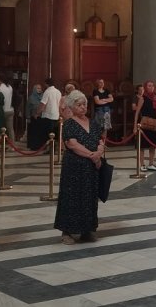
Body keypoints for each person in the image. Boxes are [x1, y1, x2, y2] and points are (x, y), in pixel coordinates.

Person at [54, 91, 106, 244]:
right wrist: (92, 155)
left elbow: (100, 141)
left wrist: (99, 153)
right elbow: (72, 144)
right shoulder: (69, 124)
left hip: (91, 168)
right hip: (74, 168)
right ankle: (67, 231)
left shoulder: (93, 123)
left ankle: (87, 231)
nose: (83, 107)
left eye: (84, 104)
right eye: (79, 105)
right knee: (72, 197)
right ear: (71, 107)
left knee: (89, 198)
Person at [133, 80, 156, 171]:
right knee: (142, 146)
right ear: (146, 87)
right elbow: (137, 112)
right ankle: (142, 165)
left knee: (152, 145)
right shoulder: (143, 98)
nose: (151, 87)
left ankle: (151, 164)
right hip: (144, 124)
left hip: (153, 124)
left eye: (152, 86)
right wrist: (135, 126)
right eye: (149, 86)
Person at [33, 78, 62, 149]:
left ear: (46, 84)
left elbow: (43, 104)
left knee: (47, 134)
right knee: (54, 133)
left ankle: (49, 148)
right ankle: (53, 148)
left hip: (48, 115)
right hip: (56, 115)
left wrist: (37, 113)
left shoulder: (47, 92)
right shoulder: (58, 92)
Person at [0, 73, 15, 142]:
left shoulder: (0, 88)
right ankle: (13, 144)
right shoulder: (10, 87)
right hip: (10, 110)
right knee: (10, 129)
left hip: (3, 110)